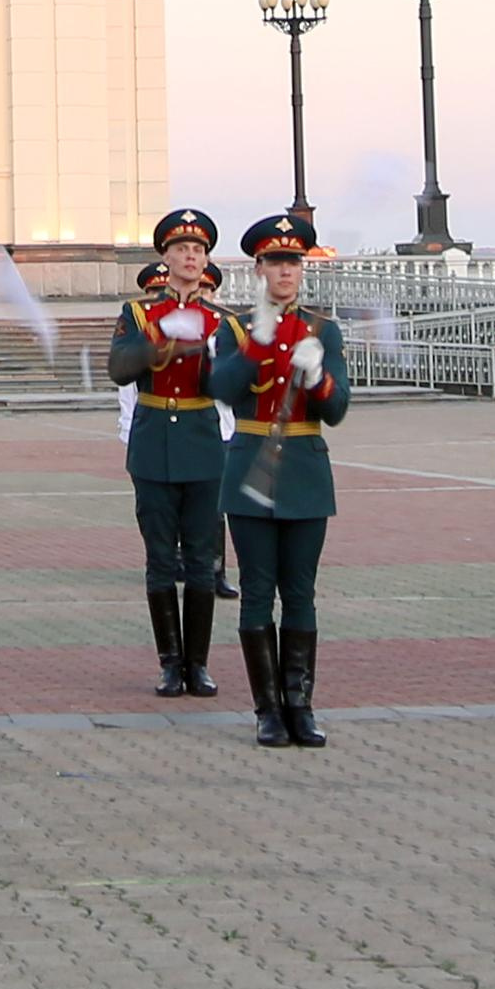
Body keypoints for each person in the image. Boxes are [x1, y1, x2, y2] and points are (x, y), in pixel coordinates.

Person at [210, 214, 352, 750]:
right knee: (256, 592)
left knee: (300, 593)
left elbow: (337, 410)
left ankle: (301, 705)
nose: (285, 271)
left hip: (305, 468)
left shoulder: (322, 328)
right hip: (250, 464)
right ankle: (267, 710)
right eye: (275, 261)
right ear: (259, 268)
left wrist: (319, 378)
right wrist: (255, 346)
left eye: (293, 262)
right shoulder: (236, 327)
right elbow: (220, 387)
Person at [105, 207, 227, 698]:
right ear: (166, 258)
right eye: (181, 250)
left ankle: (197, 663)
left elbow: (232, 384)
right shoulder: (139, 314)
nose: (190, 257)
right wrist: (161, 340)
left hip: (201, 437)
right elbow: (119, 367)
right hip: (155, 436)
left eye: (198, 250)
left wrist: (215, 357)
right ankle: (169, 662)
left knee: (201, 559)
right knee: (159, 558)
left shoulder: (221, 320)